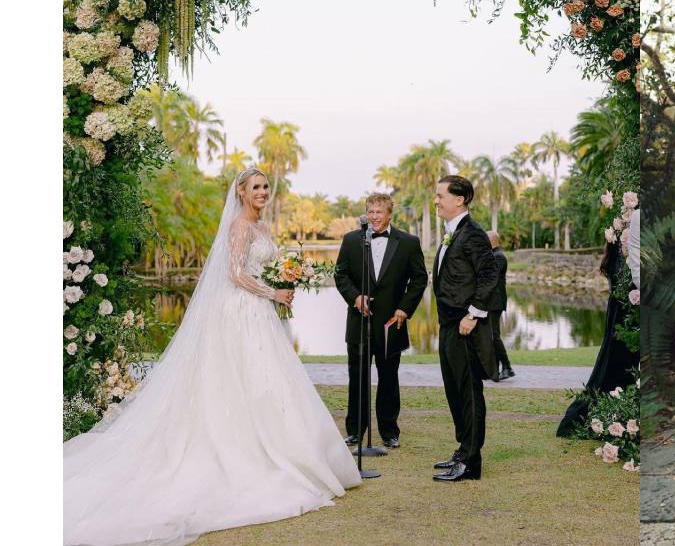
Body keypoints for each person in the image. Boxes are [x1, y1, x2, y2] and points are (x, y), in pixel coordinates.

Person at [64, 168, 361, 546]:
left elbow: (262, 269)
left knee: (270, 382)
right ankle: (252, 452)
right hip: (242, 311)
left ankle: (288, 449)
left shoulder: (265, 229)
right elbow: (236, 274)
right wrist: (273, 293)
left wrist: (285, 284)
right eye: (255, 187)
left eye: (266, 187)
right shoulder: (238, 227)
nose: (262, 193)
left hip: (263, 312)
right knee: (247, 380)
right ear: (240, 192)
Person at [333, 193, 429, 450]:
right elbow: (340, 275)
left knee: (389, 379)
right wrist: (355, 298)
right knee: (357, 379)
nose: (374, 216)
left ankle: (389, 431)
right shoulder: (352, 240)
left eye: (379, 212)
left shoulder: (408, 242)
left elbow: (419, 279)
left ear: (389, 214)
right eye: (370, 211)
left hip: (391, 324)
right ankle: (355, 431)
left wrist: (404, 310)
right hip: (358, 323)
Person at [430, 175, 501, 482]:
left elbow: (489, 275)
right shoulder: (453, 232)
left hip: (465, 326)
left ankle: (471, 462)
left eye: (440, 195)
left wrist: (473, 314)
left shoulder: (472, 233)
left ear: (459, 199)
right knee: (454, 390)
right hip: (448, 324)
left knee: (470, 392)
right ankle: (463, 448)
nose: (435, 200)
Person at [556, 239, 640, 436]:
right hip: (624, 320)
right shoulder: (622, 259)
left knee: (615, 368)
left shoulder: (615, 256)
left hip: (619, 318)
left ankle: (623, 413)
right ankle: (616, 417)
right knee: (618, 368)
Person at [486, 230, 515, 381]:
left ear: (492, 241)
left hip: (495, 302)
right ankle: (495, 370)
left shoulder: (499, 257)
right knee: (491, 337)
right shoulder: (493, 256)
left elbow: (491, 279)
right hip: (491, 302)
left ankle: (507, 367)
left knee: (494, 336)